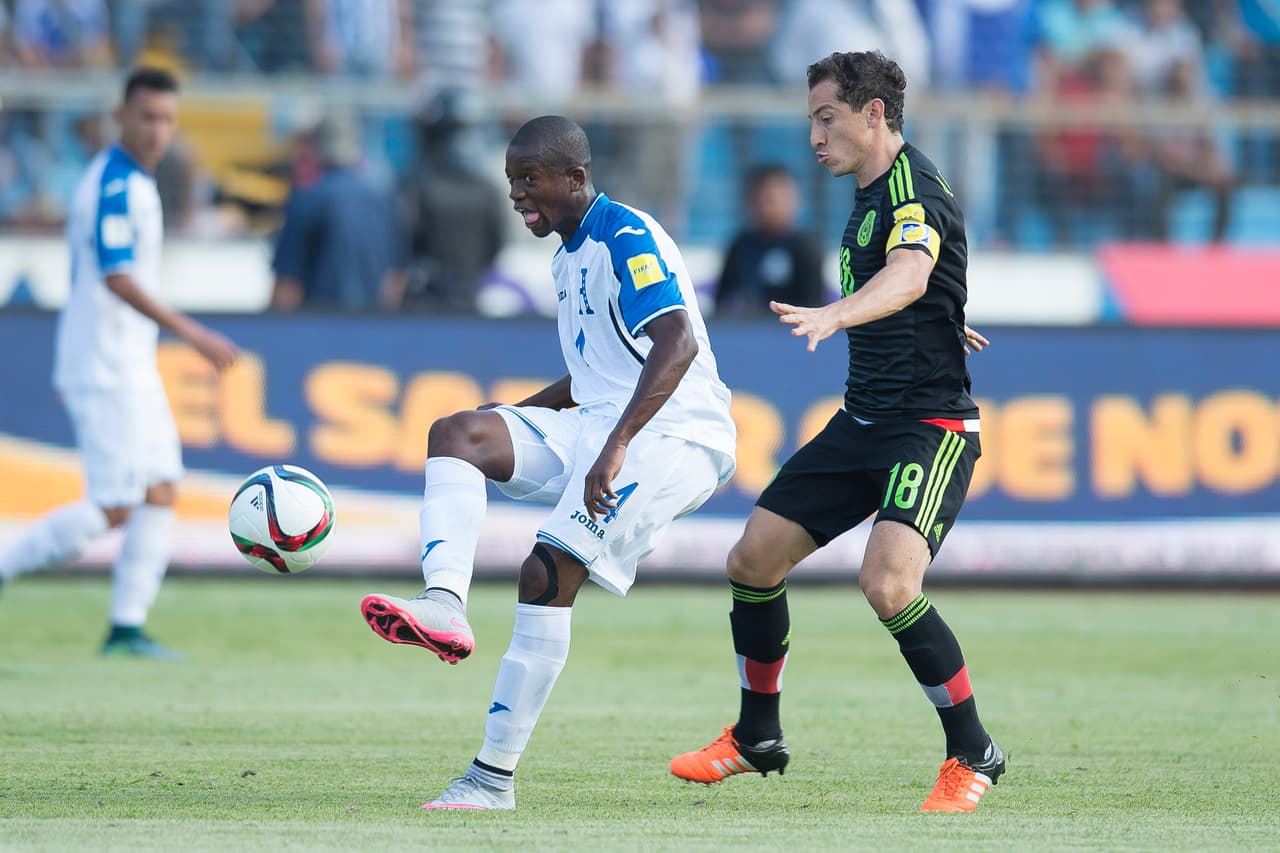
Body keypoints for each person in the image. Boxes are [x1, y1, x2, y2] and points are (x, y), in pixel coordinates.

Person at [359, 115, 737, 811]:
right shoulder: (568, 254)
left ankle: (490, 778)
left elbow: (676, 340)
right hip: (604, 421)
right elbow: (594, 370)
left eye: (528, 179)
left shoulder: (625, 235)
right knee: (460, 433)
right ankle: (444, 606)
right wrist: (519, 414)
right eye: (511, 181)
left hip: (676, 433)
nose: (516, 194)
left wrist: (617, 444)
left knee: (545, 570)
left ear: (576, 177)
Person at [668, 50, 1004, 814]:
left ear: (874, 113)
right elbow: (920, 280)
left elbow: (912, 272)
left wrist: (836, 313)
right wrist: (945, 311)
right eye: (811, 121)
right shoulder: (868, 191)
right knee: (752, 559)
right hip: (862, 421)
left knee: (887, 583)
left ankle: (973, 749)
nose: (814, 138)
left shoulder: (914, 188)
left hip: (930, 427)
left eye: (826, 119)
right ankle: (758, 737)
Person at [0, 68, 238, 657]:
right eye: (148, 117)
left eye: (167, 120)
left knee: (160, 487)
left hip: (128, 362)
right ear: (121, 117)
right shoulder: (113, 184)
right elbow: (117, 274)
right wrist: (193, 333)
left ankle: (126, 627)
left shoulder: (135, 180)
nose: (159, 130)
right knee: (112, 505)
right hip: (104, 364)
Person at [270, 114, 406, 311]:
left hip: (320, 329)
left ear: (315, 150)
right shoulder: (384, 200)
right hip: (371, 327)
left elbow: (288, 286)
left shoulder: (306, 200)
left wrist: (273, 336)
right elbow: (395, 281)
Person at [714, 164, 825, 316]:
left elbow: (813, 306)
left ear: (792, 201)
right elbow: (722, 301)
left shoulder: (805, 249)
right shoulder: (740, 245)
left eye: (771, 199)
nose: (764, 206)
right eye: (759, 199)